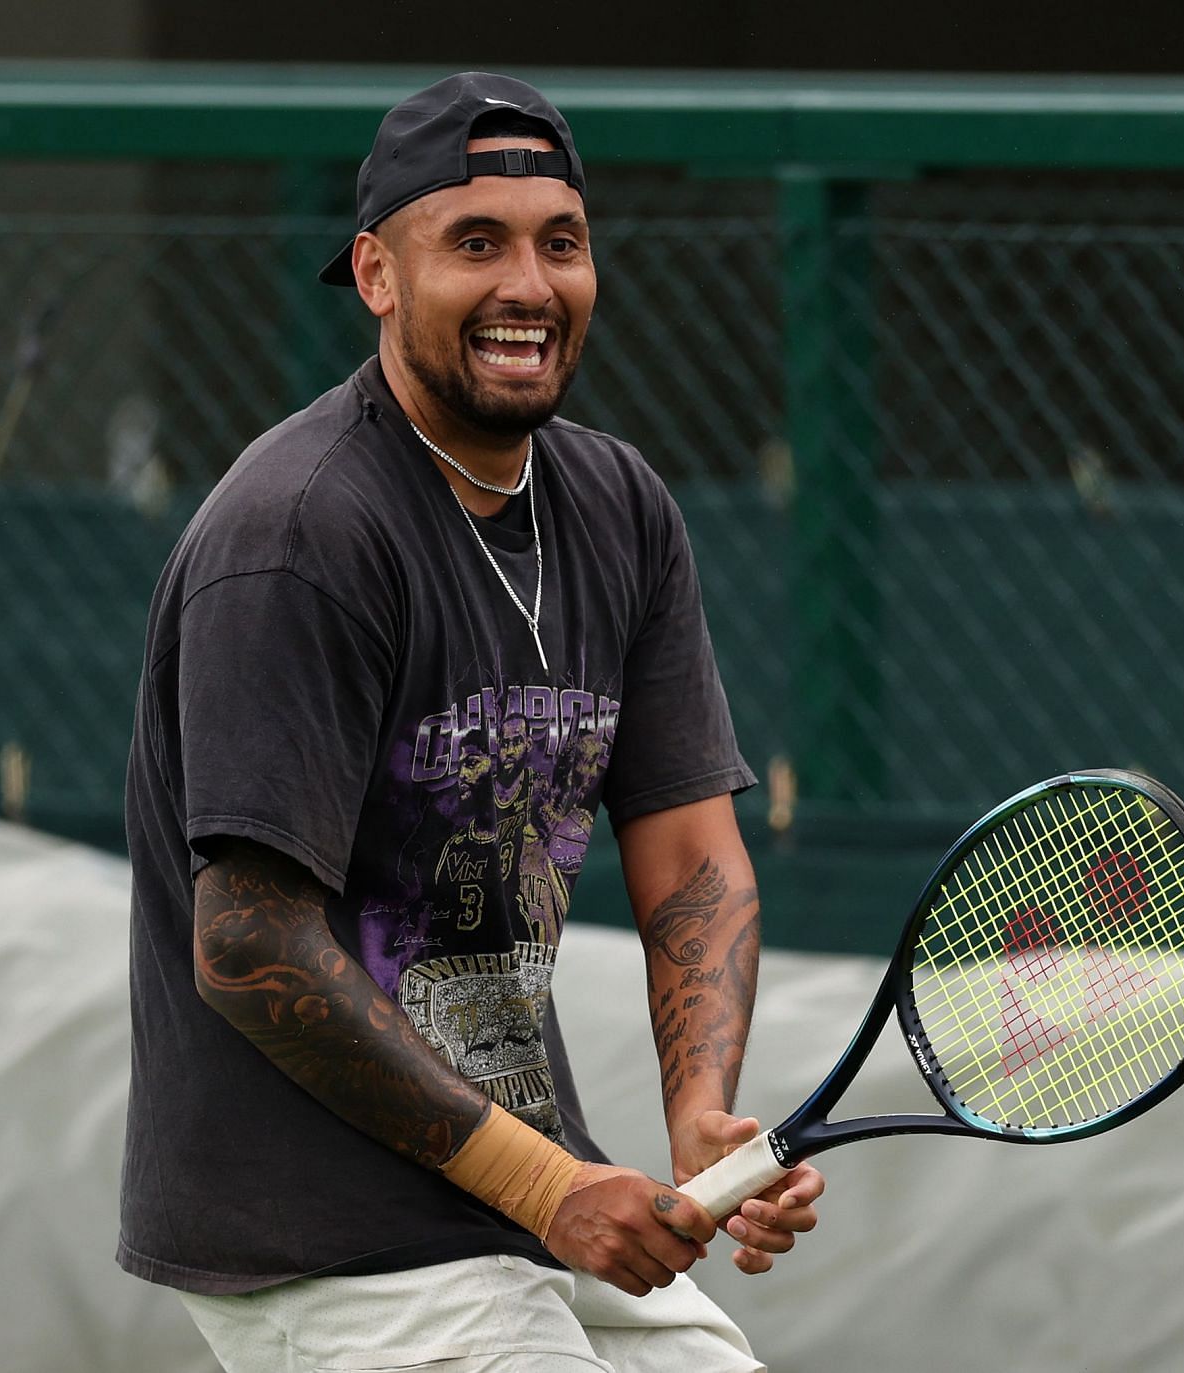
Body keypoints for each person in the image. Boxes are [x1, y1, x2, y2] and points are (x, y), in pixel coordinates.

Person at [116, 71, 822, 1372]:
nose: (529, 286)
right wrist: (551, 1188)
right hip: (318, 1232)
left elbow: (692, 857)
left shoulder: (621, 508)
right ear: (379, 274)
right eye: (476, 243)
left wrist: (700, 1115)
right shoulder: (301, 533)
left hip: (521, 1189)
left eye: (561, 242)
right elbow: (250, 941)